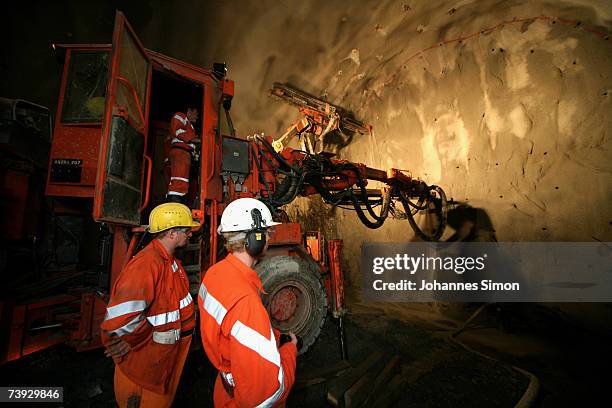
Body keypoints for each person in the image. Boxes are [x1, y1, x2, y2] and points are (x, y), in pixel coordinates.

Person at [198, 198, 298, 407]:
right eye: (267, 234)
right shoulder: (246, 302)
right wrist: (290, 351)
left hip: (225, 389)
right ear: (255, 239)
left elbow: (231, 331)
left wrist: (274, 337)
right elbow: (267, 395)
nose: (269, 239)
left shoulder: (215, 273)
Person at [101, 202, 200, 408]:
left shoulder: (169, 262)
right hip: (146, 373)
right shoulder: (146, 265)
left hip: (163, 362)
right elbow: (120, 320)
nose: (190, 234)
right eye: (187, 230)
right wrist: (134, 339)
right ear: (172, 233)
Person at [166, 107, 199, 201]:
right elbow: (179, 131)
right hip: (181, 152)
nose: (197, 117)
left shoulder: (190, 126)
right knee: (179, 180)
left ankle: (178, 202)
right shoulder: (180, 116)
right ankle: (174, 205)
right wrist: (197, 140)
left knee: (181, 181)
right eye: (196, 114)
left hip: (184, 153)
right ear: (189, 111)